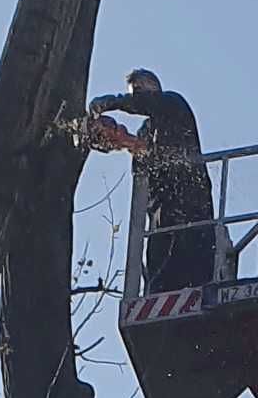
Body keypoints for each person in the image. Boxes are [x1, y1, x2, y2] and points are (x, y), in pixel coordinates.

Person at [85, 67, 217, 292]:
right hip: (161, 223)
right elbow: (145, 163)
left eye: (138, 91)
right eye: (132, 93)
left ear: (153, 88)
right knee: (160, 282)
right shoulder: (146, 131)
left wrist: (111, 102)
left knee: (196, 276)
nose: (135, 98)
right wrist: (118, 139)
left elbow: (155, 142)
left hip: (193, 210)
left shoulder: (174, 105)